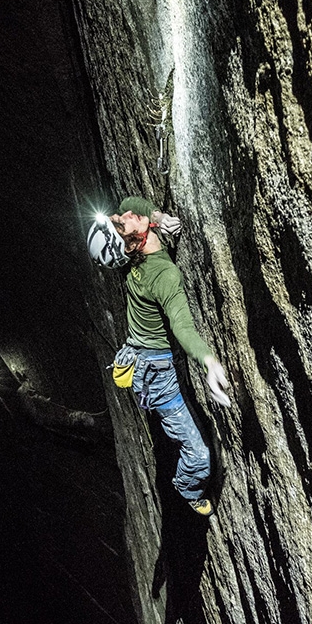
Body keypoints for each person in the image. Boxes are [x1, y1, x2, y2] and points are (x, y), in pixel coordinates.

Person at [87, 196, 230, 516]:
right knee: (198, 455)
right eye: (122, 222)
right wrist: (208, 360)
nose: (125, 213)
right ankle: (188, 488)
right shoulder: (164, 276)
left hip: (140, 358)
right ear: (134, 240)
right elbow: (182, 326)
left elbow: (131, 200)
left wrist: (157, 215)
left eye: (119, 217)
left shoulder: (132, 254)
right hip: (157, 375)